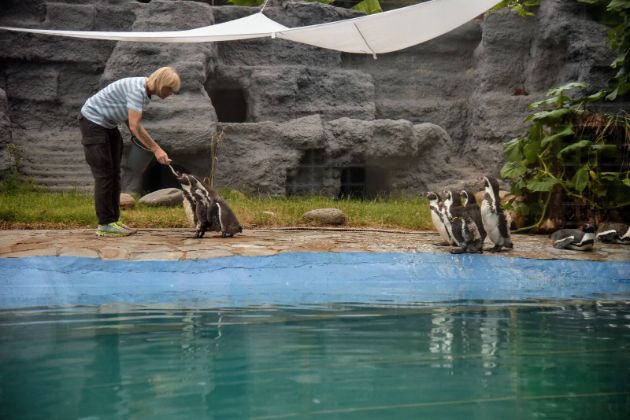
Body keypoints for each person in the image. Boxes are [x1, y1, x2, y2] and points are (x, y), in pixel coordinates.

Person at [78, 66, 180, 237]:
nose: (171, 94)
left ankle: (113, 221)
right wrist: (156, 149)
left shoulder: (145, 93)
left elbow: (128, 118)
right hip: (93, 123)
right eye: (170, 89)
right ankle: (105, 224)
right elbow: (134, 126)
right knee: (104, 175)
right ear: (162, 84)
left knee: (114, 174)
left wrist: (140, 139)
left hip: (109, 125)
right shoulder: (137, 90)